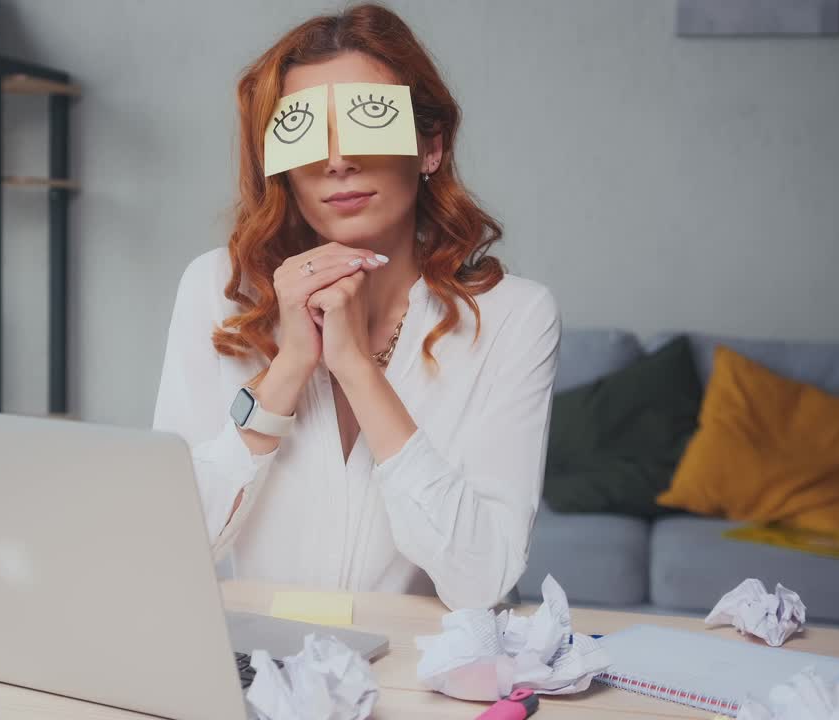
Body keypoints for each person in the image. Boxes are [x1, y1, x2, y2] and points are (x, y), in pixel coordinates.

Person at [153, 4, 560, 610]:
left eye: (370, 122)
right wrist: (289, 369)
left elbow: (482, 580)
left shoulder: (513, 316)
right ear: (280, 167)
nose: (338, 160)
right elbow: (168, 548)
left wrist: (356, 369)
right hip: (268, 671)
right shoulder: (219, 290)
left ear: (430, 147)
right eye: (303, 131)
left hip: (422, 677)